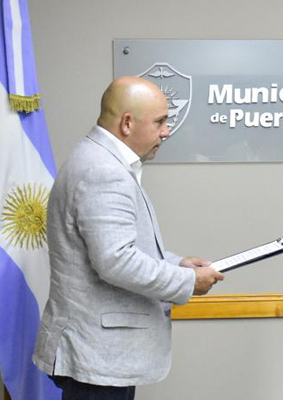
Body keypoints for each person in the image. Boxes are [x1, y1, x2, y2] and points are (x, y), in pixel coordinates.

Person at [32, 76, 225, 400]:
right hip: (97, 355)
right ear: (126, 123)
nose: (167, 131)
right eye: (161, 121)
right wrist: (186, 281)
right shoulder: (102, 171)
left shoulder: (97, 160)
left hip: (98, 354)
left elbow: (115, 248)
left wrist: (177, 263)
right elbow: (117, 261)